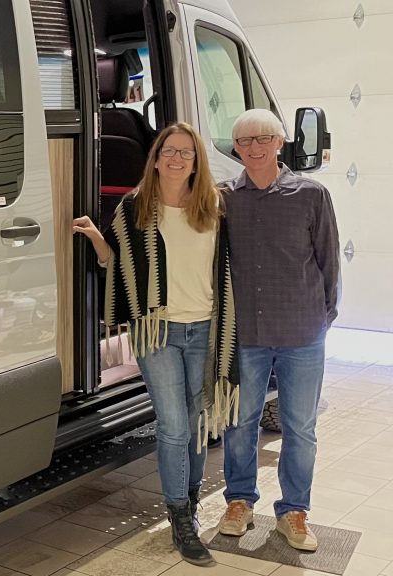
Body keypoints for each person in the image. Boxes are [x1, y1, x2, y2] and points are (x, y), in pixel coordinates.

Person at [73, 123, 239, 567]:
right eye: (169, 151)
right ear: (157, 157)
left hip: (205, 329)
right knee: (174, 426)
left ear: (196, 161)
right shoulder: (135, 206)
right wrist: (96, 240)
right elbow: (119, 264)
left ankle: (188, 500)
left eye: (186, 152)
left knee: (197, 422)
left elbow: (230, 267)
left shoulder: (214, 206)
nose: (176, 158)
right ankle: (180, 517)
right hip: (158, 331)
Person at [217, 109, 340, 552]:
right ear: (236, 149)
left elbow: (329, 258)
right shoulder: (224, 197)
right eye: (245, 141)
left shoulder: (311, 194)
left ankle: (293, 511)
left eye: (263, 138)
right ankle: (239, 502)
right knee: (240, 422)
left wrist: (324, 316)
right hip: (246, 333)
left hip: (301, 331)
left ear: (280, 142)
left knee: (300, 427)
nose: (254, 147)